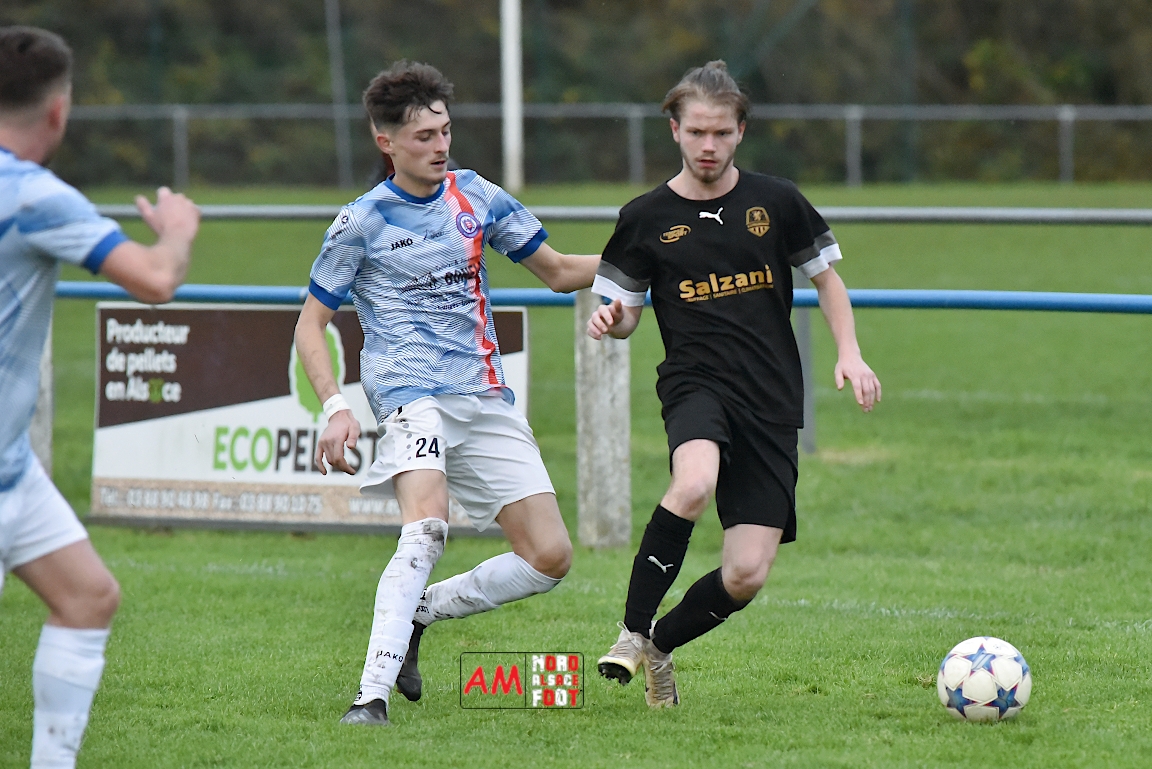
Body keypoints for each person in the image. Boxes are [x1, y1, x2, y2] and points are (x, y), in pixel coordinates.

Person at [294, 60, 599, 726]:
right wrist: (336, 407)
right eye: (424, 136)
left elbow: (557, 271)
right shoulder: (360, 222)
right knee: (427, 527)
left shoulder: (477, 196)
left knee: (550, 557)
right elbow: (309, 325)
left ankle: (419, 614)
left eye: (445, 132)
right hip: (410, 393)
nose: (440, 146)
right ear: (386, 142)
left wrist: (643, 263)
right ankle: (369, 697)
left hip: (484, 395)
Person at [587, 60, 881, 708]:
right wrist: (614, 318)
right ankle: (631, 631)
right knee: (693, 482)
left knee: (746, 573)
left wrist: (850, 353)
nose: (709, 145)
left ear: (741, 131)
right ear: (674, 129)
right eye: (696, 132)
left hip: (770, 396)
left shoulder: (776, 201)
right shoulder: (644, 217)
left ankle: (660, 644)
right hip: (696, 384)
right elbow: (627, 311)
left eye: (721, 132)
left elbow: (827, 280)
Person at [0, 26, 200, 768]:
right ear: (58, 111)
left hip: (12, 469)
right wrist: (176, 231)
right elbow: (155, 279)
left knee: (87, 596)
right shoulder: (35, 196)